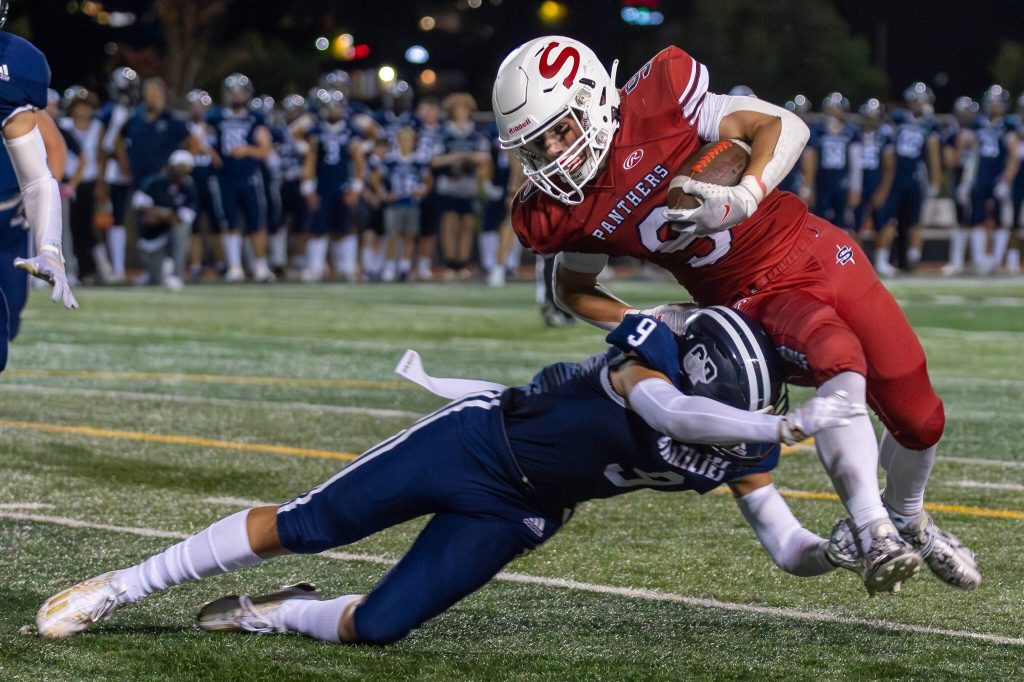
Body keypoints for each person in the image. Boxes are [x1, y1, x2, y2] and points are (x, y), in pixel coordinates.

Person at [36, 309, 863, 642]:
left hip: (521, 511)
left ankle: (280, 616)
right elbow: (682, 419)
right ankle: (127, 584)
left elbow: (785, 544)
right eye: (751, 415)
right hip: (472, 445)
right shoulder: (652, 362)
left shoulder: (747, 431)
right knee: (307, 525)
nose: (750, 434)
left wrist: (838, 548)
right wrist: (784, 426)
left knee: (382, 627)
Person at [493, 36, 980, 594]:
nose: (555, 153)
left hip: (814, 251)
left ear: (593, 99)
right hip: (750, 300)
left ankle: (909, 518)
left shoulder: (659, 102)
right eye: (537, 144)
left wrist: (744, 196)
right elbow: (572, 287)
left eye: (561, 128)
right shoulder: (566, 208)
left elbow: (785, 127)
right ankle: (875, 532)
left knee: (921, 418)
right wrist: (650, 318)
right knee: (834, 356)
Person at [0, 0, 77, 371]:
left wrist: (49, 245)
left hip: (7, 214)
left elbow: (36, 178)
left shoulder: (16, 68)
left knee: (6, 327)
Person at [207, 73, 273, 282]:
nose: (236, 95)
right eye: (232, 91)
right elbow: (199, 139)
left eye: (240, 91)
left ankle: (260, 266)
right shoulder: (215, 117)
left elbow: (265, 149)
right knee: (230, 223)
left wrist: (246, 150)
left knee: (256, 222)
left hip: (250, 176)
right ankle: (235, 267)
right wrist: (213, 155)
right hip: (225, 176)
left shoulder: (256, 117)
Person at [130, 150, 197, 290]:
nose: (181, 173)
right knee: (154, 279)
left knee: (182, 228)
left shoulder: (189, 186)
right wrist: (164, 216)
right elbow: (140, 206)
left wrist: (160, 215)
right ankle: (152, 272)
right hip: (152, 233)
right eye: (179, 168)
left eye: (185, 169)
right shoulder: (154, 182)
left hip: (170, 230)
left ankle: (177, 275)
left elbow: (185, 216)